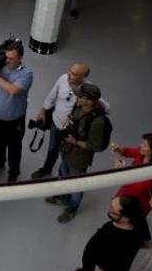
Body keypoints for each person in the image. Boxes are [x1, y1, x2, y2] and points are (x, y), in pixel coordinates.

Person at [45, 83, 110, 223]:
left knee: (77, 185)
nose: (76, 97)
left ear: (90, 101)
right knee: (63, 175)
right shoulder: (78, 107)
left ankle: (72, 209)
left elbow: (96, 146)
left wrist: (74, 142)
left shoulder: (98, 122)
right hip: (66, 151)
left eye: (80, 96)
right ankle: (63, 197)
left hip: (79, 158)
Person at [32, 63, 101, 179]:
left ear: (83, 77)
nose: (69, 75)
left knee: (66, 155)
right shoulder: (63, 78)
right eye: (70, 71)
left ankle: (62, 178)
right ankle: (46, 169)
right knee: (52, 149)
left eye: (74, 74)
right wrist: (42, 112)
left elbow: (104, 106)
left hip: (71, 131)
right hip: (56, 123)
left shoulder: (88, 90)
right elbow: (52, 96)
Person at [81, 196, 150, 271]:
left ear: (125, 218)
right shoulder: (138, 222)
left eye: (112, 209)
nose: (109, 209)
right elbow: (147, 244)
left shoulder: (113, 242)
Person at [0, 41, 33, 182]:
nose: (7, 60)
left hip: (14, 120)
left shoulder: (26, 73)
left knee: (14, 148)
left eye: (11, 58)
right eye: (6, 57)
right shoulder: (0, 65)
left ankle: (14, 171)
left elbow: (13, 90)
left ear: (20, 58)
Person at [111, 132, 152, 216]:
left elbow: (136, 187)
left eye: (145, 145)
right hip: (126, 193)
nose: (141, 146)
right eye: (142, 143)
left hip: (136, 203)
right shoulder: (143, 154)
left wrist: (124, 171)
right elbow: (129, 152)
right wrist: (119, 150)